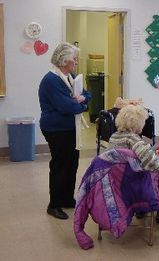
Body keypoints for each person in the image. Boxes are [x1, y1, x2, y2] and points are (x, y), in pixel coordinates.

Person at [39, 42, 91, 220]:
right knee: (60, 165)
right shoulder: (51, 80)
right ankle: (54, 204)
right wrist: (81, 104)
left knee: (72, 163)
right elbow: (66, 106)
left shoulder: (71, 76)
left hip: (70, 128)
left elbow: (87, 94)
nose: (76, 63)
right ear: (63, 61)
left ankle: (67, 198)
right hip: (56, 129)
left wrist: (81, 100)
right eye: (73, 60)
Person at [108, 105, 159, 222]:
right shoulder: (134, 141)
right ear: (137, 123)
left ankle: (142, 209)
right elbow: (154, 164)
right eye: (143, 121)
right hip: (135, 184)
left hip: (117, 182)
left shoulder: (113, 138)